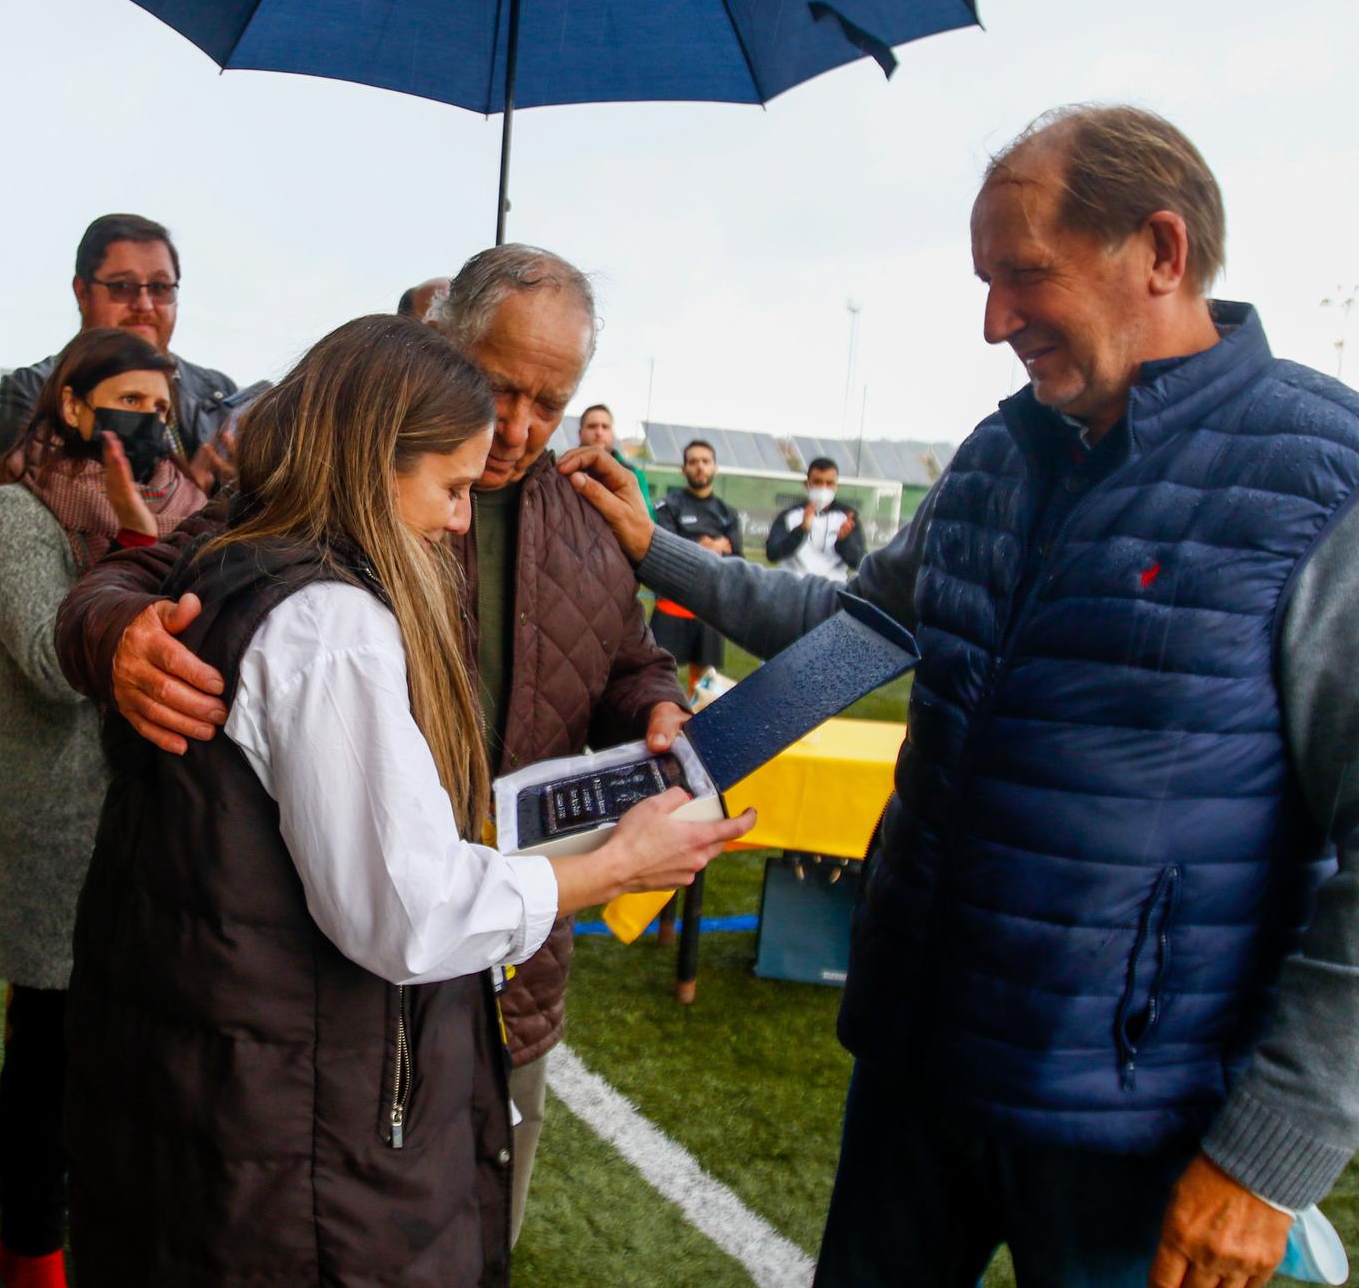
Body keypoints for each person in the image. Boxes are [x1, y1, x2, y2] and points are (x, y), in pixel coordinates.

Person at [557, 104, 1359, 1287]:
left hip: (1136, 1121)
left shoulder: (1318, 474)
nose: (992, 323)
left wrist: (1266, 1157)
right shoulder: (997, 452)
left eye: (1022, 275)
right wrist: (656, 554)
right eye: (984, 281)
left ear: (1159, 251)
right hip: (916, 1064)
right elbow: (853, 633)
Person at [61, 314, 752, 1285]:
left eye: (548, 404)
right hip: (294, 1127)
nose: (462, 518)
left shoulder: (254, 562)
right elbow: (403, 913)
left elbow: (623, 657)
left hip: (233, 1090)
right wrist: (612, 868)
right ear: (374, 462)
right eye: (451, 487)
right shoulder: (329, 619)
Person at [0, 328, 205, 1288]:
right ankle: (31, 1246)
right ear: (71, 405)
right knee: (52, 1059)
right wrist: (135, 534)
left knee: (141, 1051)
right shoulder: (15, 517)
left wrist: (147, 521)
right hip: (56, 832)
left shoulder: (186, 506)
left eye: (159, 408)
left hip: (155, 825)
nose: (145, 424)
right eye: (125, 403)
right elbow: (56, 663)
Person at [0, 213, 238, 492]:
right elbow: (3, 517)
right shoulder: (33, 389)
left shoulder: (217, 393)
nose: (144, 304)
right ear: (82, 293)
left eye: (160, 287)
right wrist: (185, 505)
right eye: (122, 286)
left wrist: (244, 493)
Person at [649, 438, 740, 685]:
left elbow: (736, 561)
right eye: (693, 462)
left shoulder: (727, 513)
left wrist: (691, 546)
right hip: (671, 607)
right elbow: (665, 549)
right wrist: (707, 547)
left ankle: (694, 725)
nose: (699, 467)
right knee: (658, 680)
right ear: (683, 469)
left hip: (708, 612)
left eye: (705, 461)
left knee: (703, 685)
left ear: (715, 467)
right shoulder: (668, 506)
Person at [764, 456, 865, 580]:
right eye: (817, 482)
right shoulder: (789, 515)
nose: (823, 488)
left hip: (832, 589)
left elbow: (858, 562)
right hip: (795, 588)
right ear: (807, 484)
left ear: (836, 486)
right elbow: (772, 554)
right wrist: (801, 530)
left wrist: (843, 542)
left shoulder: (847, 518)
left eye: (829, 483)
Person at [576, 402, 651, 504]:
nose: (599, 432)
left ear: (613, 434)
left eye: (605, 427)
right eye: (592, 426)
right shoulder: (563, 471)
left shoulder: (634, 476)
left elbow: (645, 518)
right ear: (580, 433)